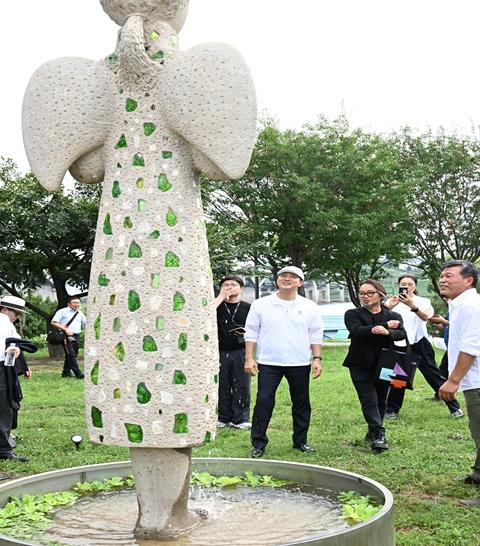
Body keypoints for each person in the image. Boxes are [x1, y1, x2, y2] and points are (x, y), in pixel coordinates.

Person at [244, 266, 324, 458]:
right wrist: (249, 357)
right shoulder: (261, 304)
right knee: (264, 401)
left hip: (299, 362)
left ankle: (300, 441)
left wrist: (317, 358)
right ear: (277, 279)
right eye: (283, 276)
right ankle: (258, 443)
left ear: (300, 282)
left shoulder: (309, 306)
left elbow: (315, 333)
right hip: (269, 361)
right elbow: (251, 331)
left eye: (293, 277)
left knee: (301, 402)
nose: (287, 279)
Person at [383, 275, 463, 419]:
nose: (406, 287)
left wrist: (412, 305)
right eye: (403, 284)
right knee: (398, 377)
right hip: (399, 342)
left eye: (410, 284)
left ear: (415, 286)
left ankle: (454, 407)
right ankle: (392, 410)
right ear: (398, 285)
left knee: (433, 375)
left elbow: (426, 317)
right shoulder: (392, 301)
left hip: (419, 342)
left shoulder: (423, 301)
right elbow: (381, 318)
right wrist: (389, 306)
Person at [343, 280, 406, 451]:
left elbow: (401, 333)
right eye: (362, 293)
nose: (365, 296)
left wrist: (388, 332)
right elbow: (356, 331)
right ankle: (379, 434)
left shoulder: (393, 315)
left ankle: (372, 431)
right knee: (368, 399)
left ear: (380, 295)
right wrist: (384, 326)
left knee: (381, 400)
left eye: (370, 293)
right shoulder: (353, 314)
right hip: (359, 364)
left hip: (386, 363)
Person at [438, 261, 480, 503]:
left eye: (449, 275)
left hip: (476, 380)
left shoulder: (471, 306)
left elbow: (471, 346)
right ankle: (478, 474)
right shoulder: (460, 305)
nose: (443, 280)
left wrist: (453, 380)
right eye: (442, 276)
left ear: (468, 280)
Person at [213, 275, 251, 429]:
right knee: (221, 384)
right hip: (219, 351)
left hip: (240, 350)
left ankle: (240, 418)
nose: (229, 287)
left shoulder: (248, 307)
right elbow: (204, 315)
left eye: (233, 284)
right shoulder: (217, 305)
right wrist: (220, 297)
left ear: (241, 289)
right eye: (226, 285)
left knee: (241, 384)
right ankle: (222, 417)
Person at [0, 295, 29, 462]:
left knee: (5, 406)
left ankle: (4, 448)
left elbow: (16, 340)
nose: (16, 317)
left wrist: (15, 348)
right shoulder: (4, 319)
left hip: (2, 367)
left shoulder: (7, 323)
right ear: (5, 309)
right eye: (15, 313)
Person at [51, 296, 86, 379]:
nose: (76, 304)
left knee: (73, 354)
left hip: (76, 335)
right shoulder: (62, 311)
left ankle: (66, 372)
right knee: (71, 353)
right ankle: (78, 373)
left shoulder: (80, 313)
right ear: (69, 304)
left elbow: (85, 323)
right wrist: (65, 329)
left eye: (78, 303)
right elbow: (53, 322)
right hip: (66, 335)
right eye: (74, 302)